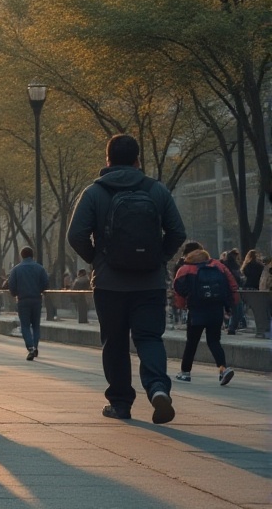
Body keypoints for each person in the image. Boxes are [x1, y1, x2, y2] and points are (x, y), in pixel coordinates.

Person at [68, 133, 186, 425]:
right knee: (149, 337)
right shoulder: (156, 190)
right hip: (149, 283)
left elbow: (75, 235)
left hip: (110, 284)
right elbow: (178, 233)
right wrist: (158, 258)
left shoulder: (94, 192)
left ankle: (120, 403)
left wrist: (97, 258)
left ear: (107, 160)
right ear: (137, 160)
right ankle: (158, 388)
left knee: (115, 342)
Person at [172, 241, 238, 386]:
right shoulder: (219, 266)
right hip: (216, 310)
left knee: (192, 342)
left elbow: (178, 290)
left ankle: (185, 373)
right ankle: (223, 369)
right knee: (214, 341)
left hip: (196, 311)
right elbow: (231, 285)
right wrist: (230, 306)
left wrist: (182, 306)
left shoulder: (185, 269)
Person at [7, 246, 49, 360]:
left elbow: (11, 285)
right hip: (36, 299)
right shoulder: (39, 268)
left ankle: (30, 347)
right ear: (32, 255)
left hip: (22, 300)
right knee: (36, 325)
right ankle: (35, 346)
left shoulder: (16, 269)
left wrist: (15, 293)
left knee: (25, 325)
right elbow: (46, 283)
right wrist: (39, 290)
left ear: (22, 256)